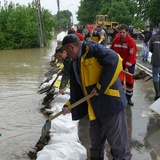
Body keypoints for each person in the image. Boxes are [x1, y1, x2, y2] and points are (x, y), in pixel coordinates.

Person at [61, 34, 131, 160]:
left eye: (66, 51)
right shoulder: (76, 62)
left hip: (110, 105)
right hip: (94, 109)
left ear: (71, 47)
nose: (67, 55)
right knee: (96, 143)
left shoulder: (93, 50)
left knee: (118, 146)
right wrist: (69, 105)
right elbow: (81, 90)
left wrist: (100, 87)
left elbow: (115, 59)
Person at [110, 24, 137, 106]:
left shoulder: (131, 41)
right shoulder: (116, 40)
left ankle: (128, 98)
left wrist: (127, 67)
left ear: (127, 32)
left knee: (129, 82)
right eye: (120, 32)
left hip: (130, 64)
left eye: (123, 32)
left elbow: (131, 56)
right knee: (119, 81)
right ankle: (121, 97)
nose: (121, 34)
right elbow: (112, 51)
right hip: (119, 64)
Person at [149, 24, 160, 100]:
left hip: (156, 59)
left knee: (155, 75)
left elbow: (150, 49)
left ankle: (158, 93)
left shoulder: (154, 37)